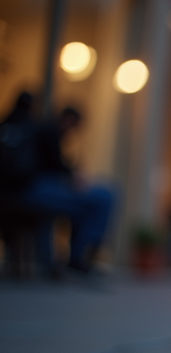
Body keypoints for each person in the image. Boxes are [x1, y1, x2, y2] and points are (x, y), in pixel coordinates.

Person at [17, 106, 114, 274]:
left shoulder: (46, 131)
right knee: (105, 197)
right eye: (74, 126)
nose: (72, 132)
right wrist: (74, 176)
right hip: (38, 189)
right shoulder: (49, 131)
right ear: (68, 119)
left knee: (91, 206)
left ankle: (78, 256)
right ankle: (81, 254)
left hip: (38, 188)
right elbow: (57, 168)